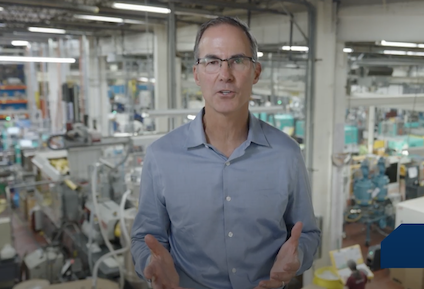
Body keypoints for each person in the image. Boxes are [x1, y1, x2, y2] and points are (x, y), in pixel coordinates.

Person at [130, 16, 321, 289]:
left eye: (238, 60)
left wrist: (298, 256)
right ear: (196, 74)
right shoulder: (161, 156)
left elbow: (308, 234)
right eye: (212, 61)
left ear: (256, 72)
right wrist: (150, 265)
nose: (225, 74)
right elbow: (145, 238)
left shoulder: (286, 154)